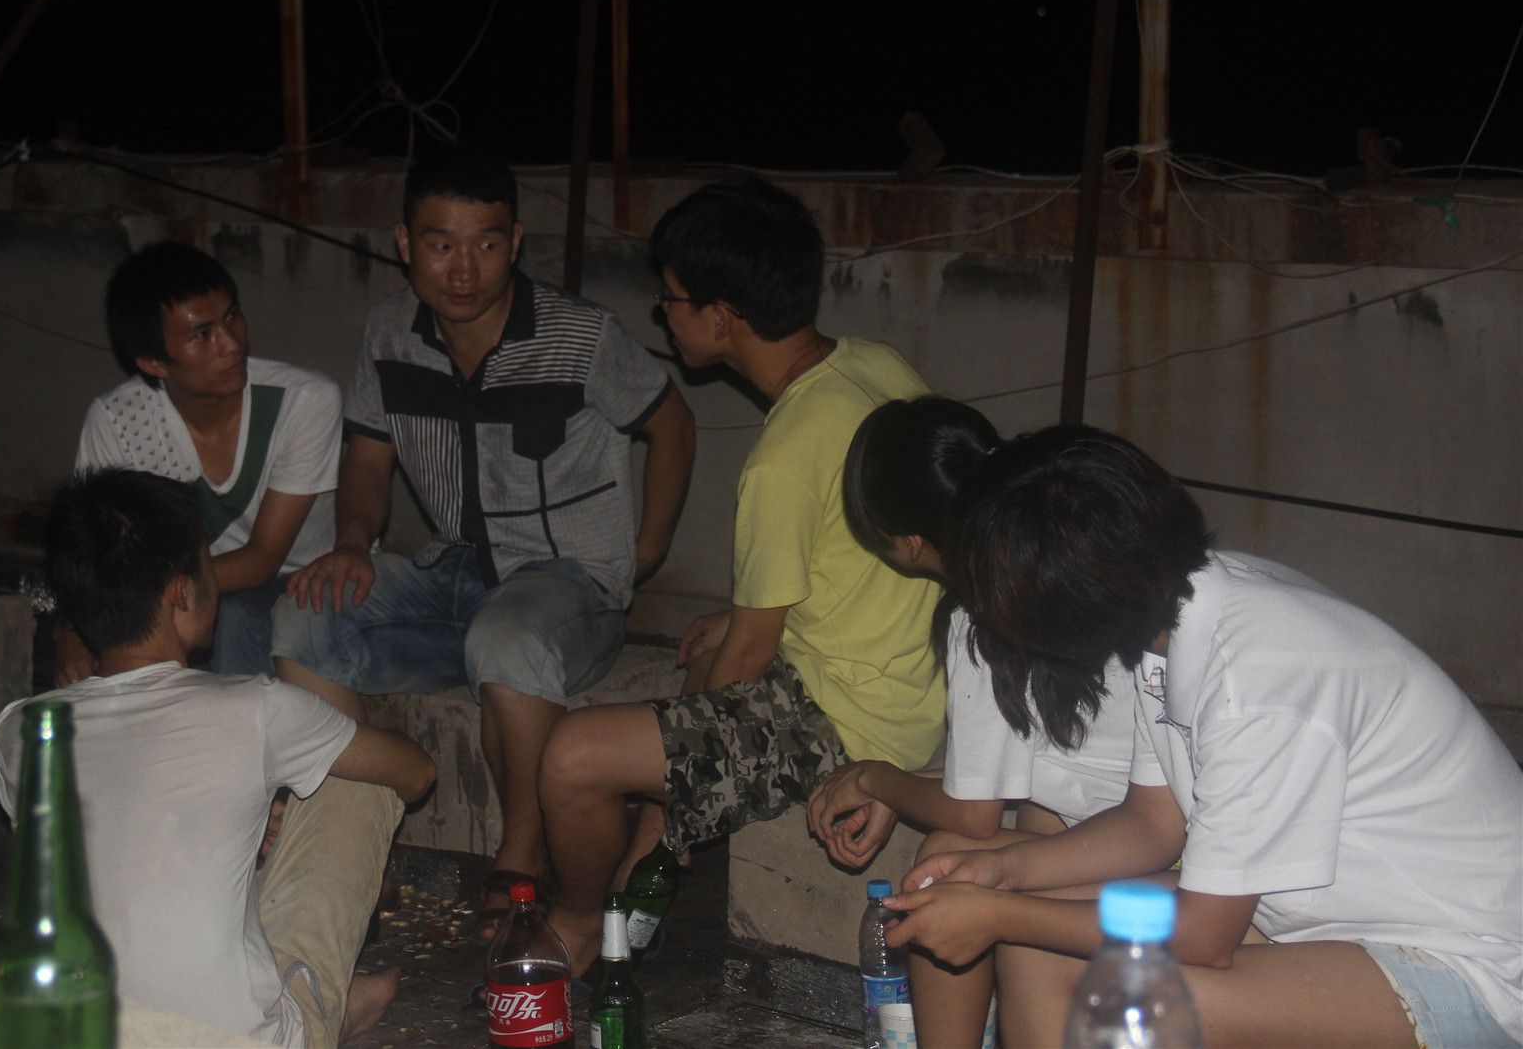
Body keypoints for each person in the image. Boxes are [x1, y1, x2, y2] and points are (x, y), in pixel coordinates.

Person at [886, 427, 1523, 1048]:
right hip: (1317, 920)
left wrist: (999, 913)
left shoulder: (1256, 675)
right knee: (1037, 930)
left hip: (1465, 963)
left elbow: (1203, 938)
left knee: (1134, 1004)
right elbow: (1152, 824)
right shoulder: (1168, 616)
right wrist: (1002, 871)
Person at [274, 155, 696, 940]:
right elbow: (367, 459)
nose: (463, 269)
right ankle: (352, 832)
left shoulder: (581, 334)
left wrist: (648, 546)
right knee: (303, 617)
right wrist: (352, 542)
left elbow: (671, 421)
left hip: (567, 583)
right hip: (454, 570)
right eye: (441, 245)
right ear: (406, 243)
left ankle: (522, 851)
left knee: (506, 635)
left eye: (487, 244)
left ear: (516, 242)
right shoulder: (388, 333)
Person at [535, 177, 945, 976]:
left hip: (852, 720)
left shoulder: (782, 457)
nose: (664, 313)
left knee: (574, 755)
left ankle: (582, 917)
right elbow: (853, 560)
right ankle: (648, 861)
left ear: (722, 317)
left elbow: (748, 663)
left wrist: (675, 787)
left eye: (672, 299)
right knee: (706, 641)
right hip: (905, 676)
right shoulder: (875, 364)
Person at [0, 468, 435, 1048]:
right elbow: (415, 773)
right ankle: (324, 1006)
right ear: (182, 594)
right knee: (357, 779)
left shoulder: (19, 731)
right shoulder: (254, 709)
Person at [805, 396, 1139, 1049]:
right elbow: (1000, 768)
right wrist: (902, 786)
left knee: (943, 864)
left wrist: (872, 779)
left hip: (1138, 845)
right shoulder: (1051, 561)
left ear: (907, 544)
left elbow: (973, 814)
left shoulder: (981, 612)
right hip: (1135, 823)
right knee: (1014, 825)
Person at [64, 241, 340, 679]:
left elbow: (263, 559)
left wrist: (143, 597)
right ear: (154, 363)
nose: (231, 343)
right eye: (202, 334)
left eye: (232, 317)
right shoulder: (116, 420)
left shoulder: (304, 402)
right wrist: (73, 631)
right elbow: (98, 551)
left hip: (305, 581)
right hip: (184, 591)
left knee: (232, 617)